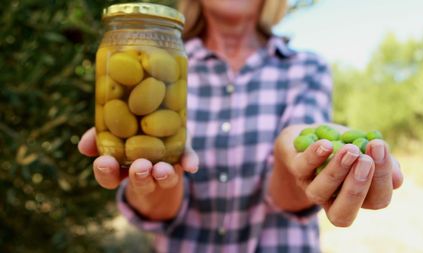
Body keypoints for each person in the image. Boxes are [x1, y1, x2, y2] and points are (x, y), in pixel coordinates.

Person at [78, 0, 403, 252]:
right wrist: (161, 172)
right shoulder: (160, 64)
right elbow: (159, 209)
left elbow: (294, 179)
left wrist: (304, 156)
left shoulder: (306, 67)